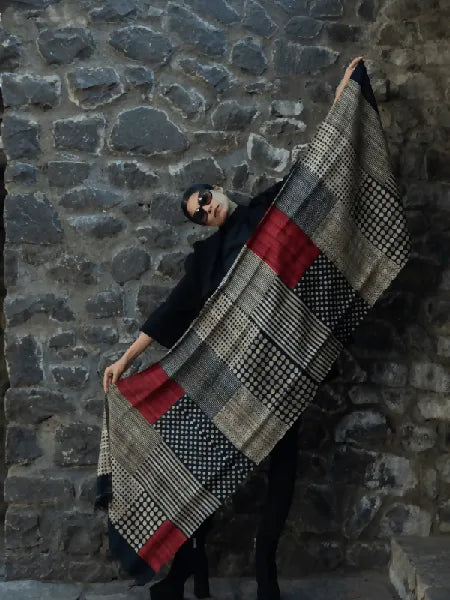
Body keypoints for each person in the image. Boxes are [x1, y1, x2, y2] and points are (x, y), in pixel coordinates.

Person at [103, 56, 365, 600]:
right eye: (196, 213)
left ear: (218, 189)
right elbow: (173, 310)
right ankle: (186, 566)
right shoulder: (205, 260)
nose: (205, 210)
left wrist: (344, 99)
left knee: (282, 468)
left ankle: (265, 571)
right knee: (198, 467)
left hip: (285, 363)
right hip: (232, 377)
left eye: (204, 199)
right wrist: (127, 360)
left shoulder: (271, 212)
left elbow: (314, 173)